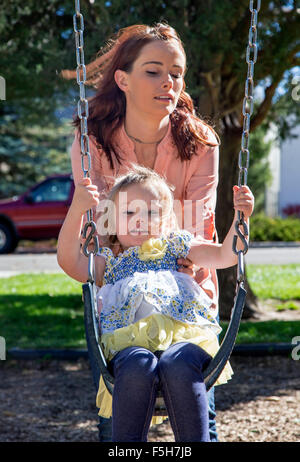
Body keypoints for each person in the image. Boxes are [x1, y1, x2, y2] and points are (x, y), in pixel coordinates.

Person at [62, 22, 224, 441]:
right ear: (123, 79)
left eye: (176, 72)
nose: (168, 82)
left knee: (192, 394)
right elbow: (93, 229)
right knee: (123, 395)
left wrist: (131, 224)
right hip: (120, 292)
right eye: (153, 71)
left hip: (187, 291)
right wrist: (117, 239)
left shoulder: (200, 143)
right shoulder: (92, 141)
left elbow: (195, 228)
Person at [57, 164, 254, 442]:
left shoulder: (177, 247)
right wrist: (77, 209)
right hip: (130, 347)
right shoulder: (109, 262)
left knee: (178, 362)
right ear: (112, 221)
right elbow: (68, 261)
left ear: (166, 220)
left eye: (152, 212)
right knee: (139, 364)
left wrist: (241, 217)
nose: (141, 220)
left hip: (185, 341)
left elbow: (226, 255)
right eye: (129, 212)